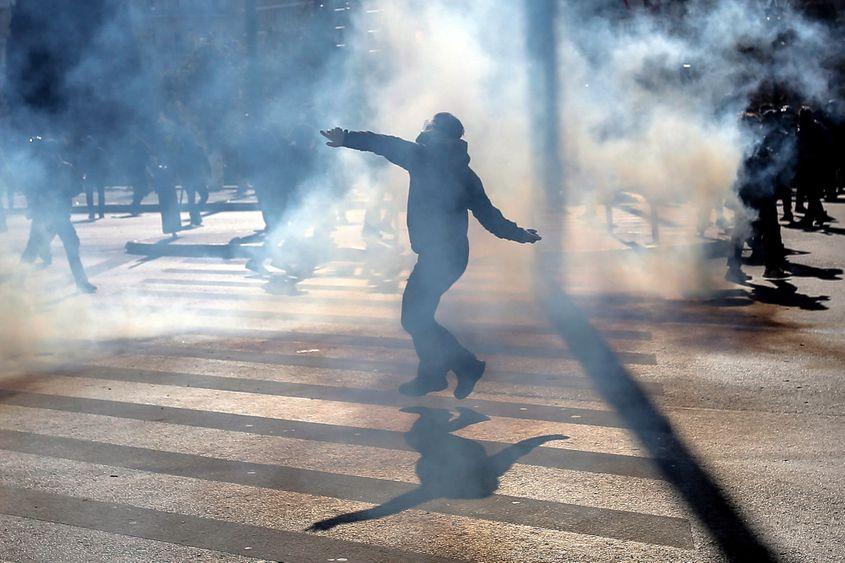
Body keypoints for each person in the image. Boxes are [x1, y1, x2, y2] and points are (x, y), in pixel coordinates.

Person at [321, 113, 541, 399]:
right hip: (449, 256)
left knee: (415, 318)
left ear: (439, 134)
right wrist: (520, 234)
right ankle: (434, 375)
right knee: (419, 317)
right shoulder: (461, 172)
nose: (423, 132)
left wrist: (346, 138)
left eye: (429, 128)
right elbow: (491, 218)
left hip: (441, 257)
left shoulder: (422, 158)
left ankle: (464, 367)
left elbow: (383, 143)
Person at [21, 135, 97, 293]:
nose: (51, 155)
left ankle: (81, 283)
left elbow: (76, 188)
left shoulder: (65, 168)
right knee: (32, 248)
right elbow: (31, 189)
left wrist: (67, 189)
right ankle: (18, 280)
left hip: (60, 216)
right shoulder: (40, 170)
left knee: (72, 246)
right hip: (43, 216)